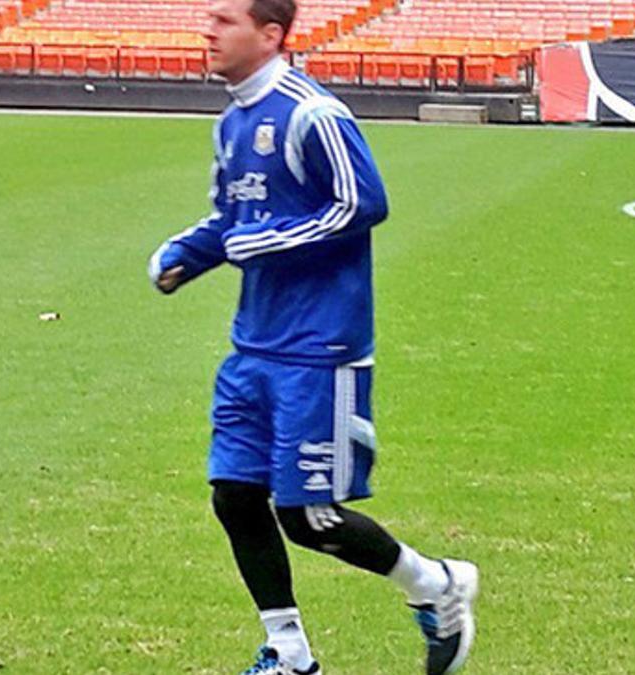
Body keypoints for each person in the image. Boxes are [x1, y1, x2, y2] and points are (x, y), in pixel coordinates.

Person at [148, 1, 478, 672]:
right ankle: (289, 652)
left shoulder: (312, 113)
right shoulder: (234, 121)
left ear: (270, 34)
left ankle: (437, 585)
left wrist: (260, 241)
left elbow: (362, 203)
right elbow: (232, 219)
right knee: (234, 495)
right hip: (254, 345)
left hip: (319, 348)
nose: (208, 31)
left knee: (308, 516)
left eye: (224, 20)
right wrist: (186, 253)